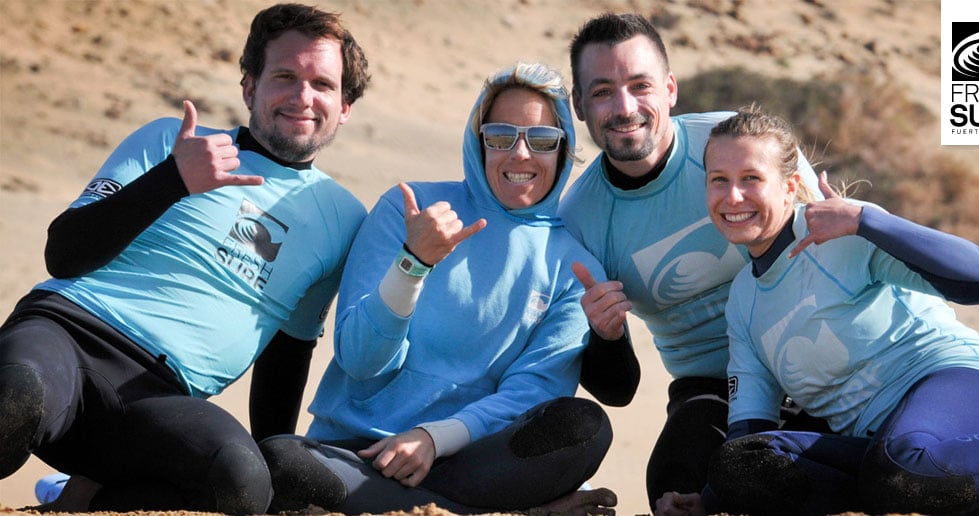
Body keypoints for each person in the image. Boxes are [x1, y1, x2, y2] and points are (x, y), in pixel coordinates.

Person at [0, 4, 370, 513]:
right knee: (14, 396)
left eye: (323, 84)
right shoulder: (170, 141)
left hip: (160, 397)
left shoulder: (344, 219)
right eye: (284, 76)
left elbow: (287, 350)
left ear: (345, 105)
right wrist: (173, 180)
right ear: (249, 86)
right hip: (67, 334)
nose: (302, 97)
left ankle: (85, 495)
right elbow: (63, 254)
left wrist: (273, 459)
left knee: (242, 483)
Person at [656, 108, 979, 516]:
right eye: (719, 180)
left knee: (901, 463)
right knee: (740, 464)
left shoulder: (843, 232)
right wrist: (709, 500)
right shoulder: (744, 302)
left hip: (969, 391)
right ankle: (959, 495)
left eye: (751, 178)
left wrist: (867, 221)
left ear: (789, 185)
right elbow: (750, 431)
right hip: (884, 453)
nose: (733, 196)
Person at [257, 62, 618, 515]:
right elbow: (359, 360)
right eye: (501, 136)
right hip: (361, 451)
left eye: (543, 140)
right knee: (281, 463)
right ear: (477, 140)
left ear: (564, 149)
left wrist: (435, 437)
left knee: (583, 426)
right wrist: (414, 263)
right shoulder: (410, 208)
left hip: (467, 458)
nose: (521, 155)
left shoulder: (575, 264)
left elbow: (532, 392)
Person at [560, 12, 827, 509]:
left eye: (640, 85)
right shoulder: (578, 219)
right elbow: (616, 391)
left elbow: (833, 261)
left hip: (816, 359)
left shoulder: (735, 146)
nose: (624, 107)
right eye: (601, 91)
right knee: (674, 486)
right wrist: (607, 334)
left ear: (670, 89)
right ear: (578, 104)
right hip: (711, 389)